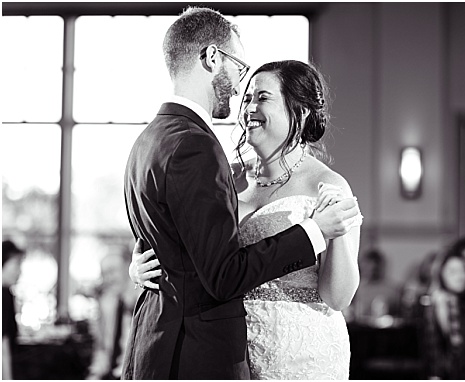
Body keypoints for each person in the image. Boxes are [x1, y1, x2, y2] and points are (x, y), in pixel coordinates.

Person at [122, 7, 362, 380]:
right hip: (230, 348)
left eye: (261, 97)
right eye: (246, 95)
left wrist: (335, 233)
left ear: (297, 110)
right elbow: (198, 254)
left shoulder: (327, 186)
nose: (246, 106)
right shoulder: (227, 175)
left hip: (300, 351)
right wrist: (143, 269)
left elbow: (338, 297)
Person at [88, 249, 139, 379]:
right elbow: (102, 348)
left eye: (112, 271)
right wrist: (94, 375)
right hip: (113, 374)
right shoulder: (106, 303)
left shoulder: (142, 302)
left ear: (128, 268)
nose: (108, 278)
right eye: (104, 273)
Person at [423, 250, 465, 379]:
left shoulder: (464, 302)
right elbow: (456, 344)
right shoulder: (441, 300)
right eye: (452, 272)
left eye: (464, 270)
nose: (460, 276)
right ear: (440, 274)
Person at [2, 240, 25, 380]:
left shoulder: (7, 293)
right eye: (16, 264)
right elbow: (3, 346)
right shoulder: (3, 296)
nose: (19, 271)